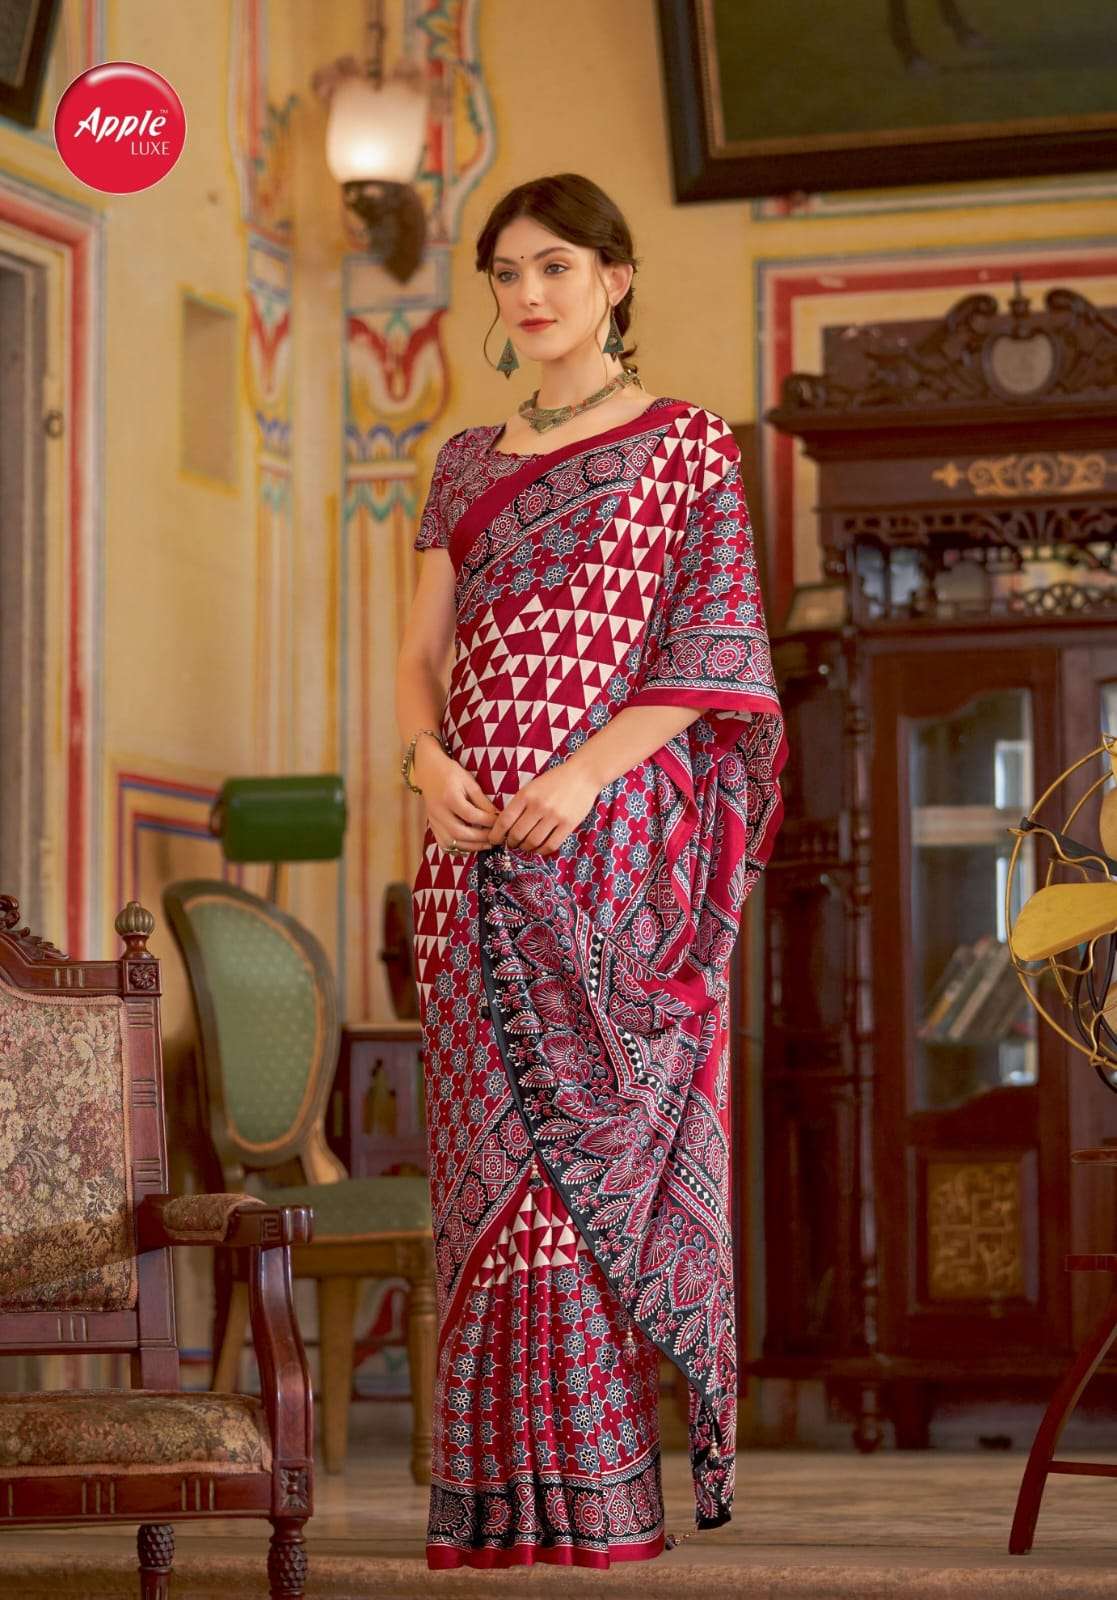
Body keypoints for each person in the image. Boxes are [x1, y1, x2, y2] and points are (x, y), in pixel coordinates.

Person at [395, 172, 786, 1570]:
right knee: (484, 1178)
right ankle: (491, 1508)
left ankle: (599, 1503)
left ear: (614, 278)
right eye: (507, 272)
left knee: (575, 1176)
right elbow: (419, 652)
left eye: (556, 265)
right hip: (463, 858)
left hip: (603, 852)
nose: (529, 293)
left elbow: (714, 659)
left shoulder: (685, 446)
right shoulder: (460, 463)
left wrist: (579, 777)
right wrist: (424, 763)